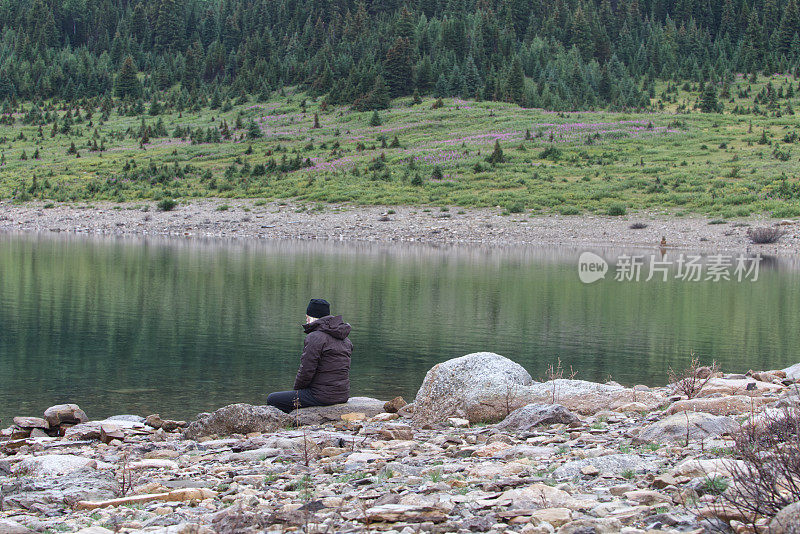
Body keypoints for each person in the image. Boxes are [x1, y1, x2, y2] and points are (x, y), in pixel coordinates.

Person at [266, 299, 353, 413]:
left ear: (312, 317)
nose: (306, 320)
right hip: (342, 394)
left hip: (322, 396)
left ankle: (291, 422)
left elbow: (306, 370)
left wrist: (297, 392)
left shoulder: (315, 337)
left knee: (272, 399)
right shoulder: (345, 340)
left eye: (307, 317)